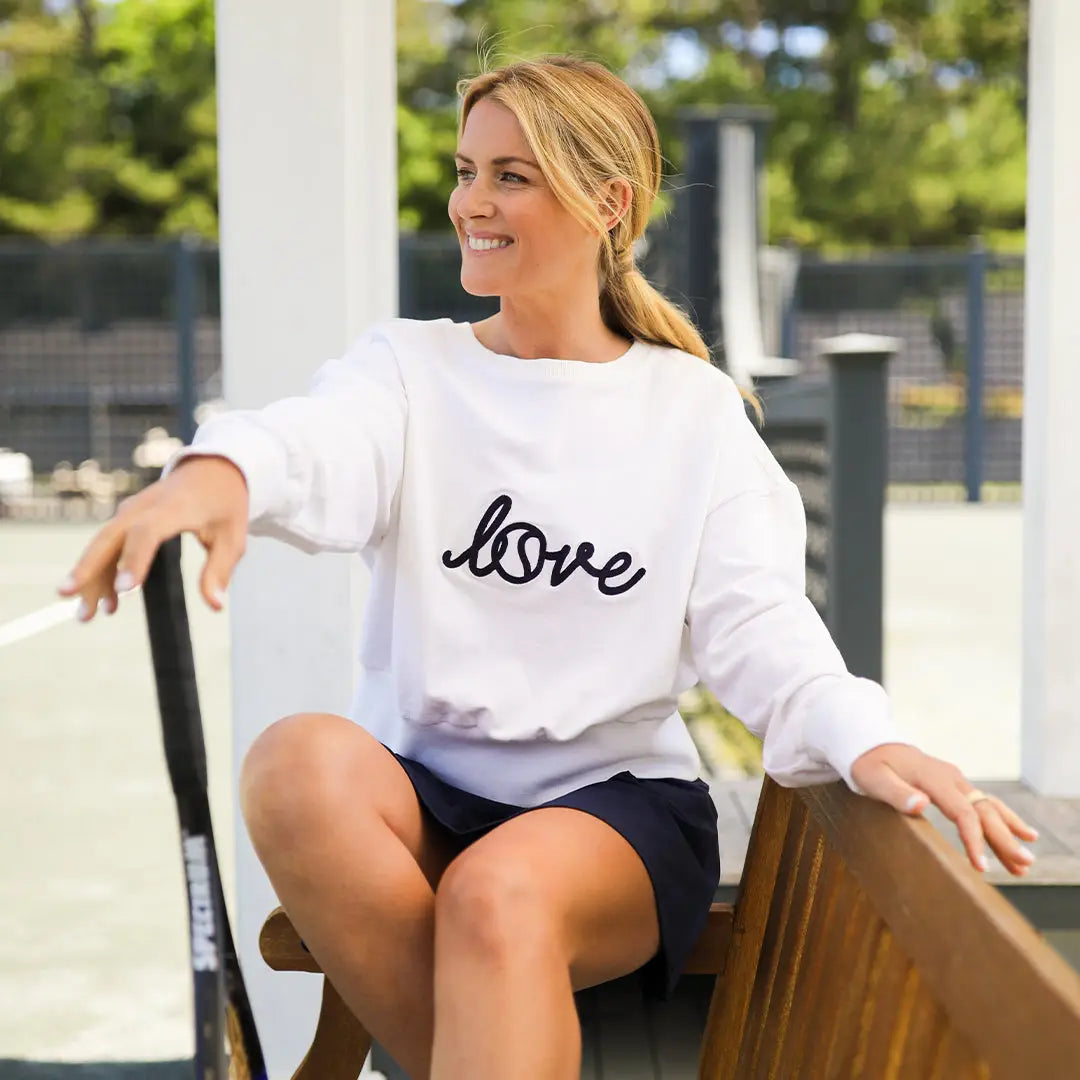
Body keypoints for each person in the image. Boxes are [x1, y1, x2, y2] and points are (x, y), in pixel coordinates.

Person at [59, 55, 1038, 1080]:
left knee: (501, 892)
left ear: (609, 203)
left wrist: (864, 734)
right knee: (294, 764)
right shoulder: (410, 371)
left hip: (615, 815)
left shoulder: (691, 414)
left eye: (511, 177)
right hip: (432, 797)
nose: (470, 202)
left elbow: (759, 628)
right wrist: (216, 474)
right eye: (466, 168)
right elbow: (315, 443)